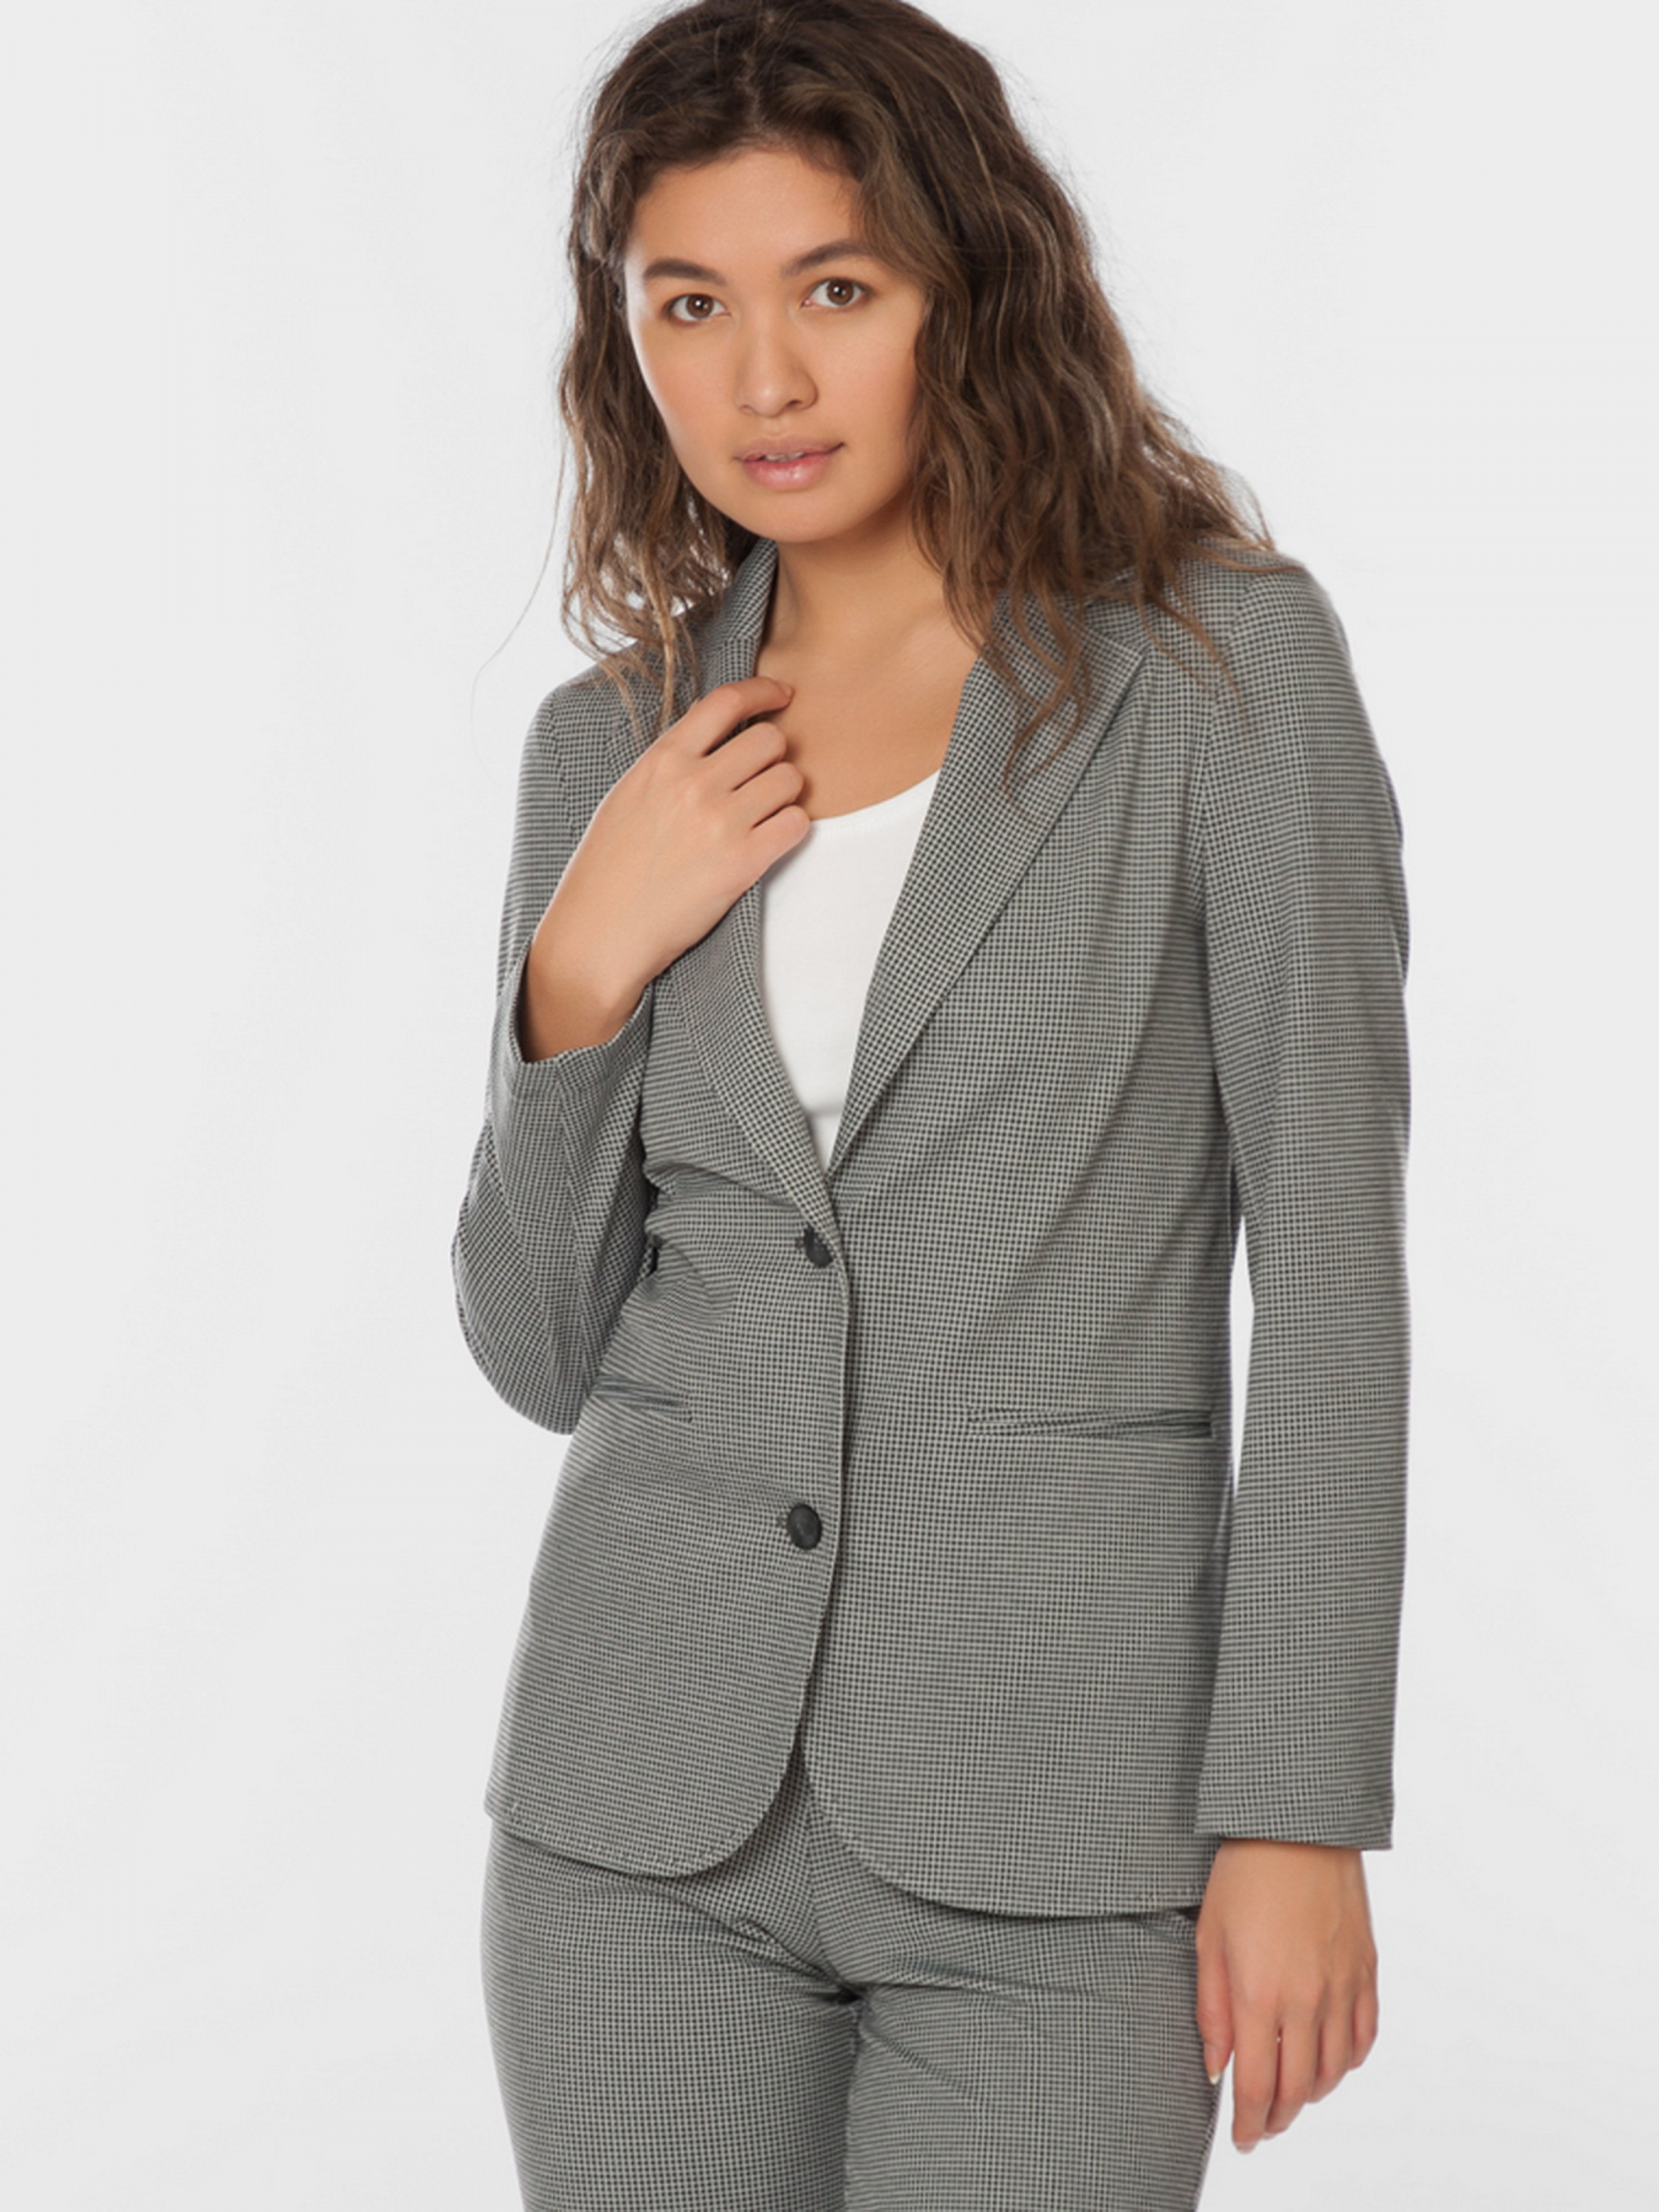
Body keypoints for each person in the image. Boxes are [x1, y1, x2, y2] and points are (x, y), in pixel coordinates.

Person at [449, 2, 1410, 2205]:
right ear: (626, 339)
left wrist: (1298, 1808)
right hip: (633, 1821)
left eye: (835, 289)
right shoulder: (610, 750)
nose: (762, 381)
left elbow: (1332, 1263)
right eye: (690, 304)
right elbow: (534, 1344)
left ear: (962, 290)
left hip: (1063, 1808)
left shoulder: (1214, 673)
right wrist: (580, 969)